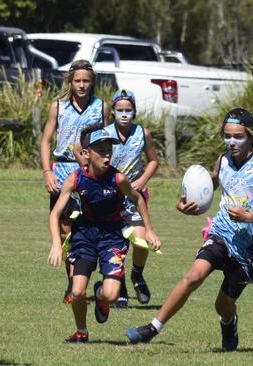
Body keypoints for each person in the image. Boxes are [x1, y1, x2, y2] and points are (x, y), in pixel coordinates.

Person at [125, 108, 253, 352]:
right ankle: (153, 327)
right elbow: (207, 186)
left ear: (251, 137)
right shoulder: (223, 160)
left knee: (222, 306)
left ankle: (228, 322)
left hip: (249, 248)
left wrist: (250, 216)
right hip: (221, 233)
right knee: (194, 276)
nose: (231, 142)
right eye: (227, 136)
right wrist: (183, 203)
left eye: (238, 136)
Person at [47, 124, 161, 343]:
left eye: (109, 148)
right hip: (84, 236)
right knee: (78, 292)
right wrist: (55, 244)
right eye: (101, 149)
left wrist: (149, 231)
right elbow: (55, 215)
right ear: (86, 154)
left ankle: (100, 294)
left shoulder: (118, 179)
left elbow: (138, 199)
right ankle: (81, 332)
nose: (107, 154)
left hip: (112, 237)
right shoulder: (75, 179)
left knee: (111, 295)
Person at [40, 59, 110, 304]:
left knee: (84, 227)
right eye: (78, 80)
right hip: (62, 169)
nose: (82, 85)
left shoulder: (101, 107)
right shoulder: (57, 106)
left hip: (88, 173)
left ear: (92, 83)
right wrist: (47, 172)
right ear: (71, 81)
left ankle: (78, 283)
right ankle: (71, 283)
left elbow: (105, 142)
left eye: (86, 81)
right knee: (64, 228)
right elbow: (46, 140)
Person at [107, 89, 159, 308]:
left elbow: (153, 161)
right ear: (113, 111)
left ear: (134, 112)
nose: (124, 114)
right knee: (116, 243)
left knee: (140, 242)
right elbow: (90, 155)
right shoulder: (105, 133)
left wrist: (143, 179)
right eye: (120, 110)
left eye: (128, 110)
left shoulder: (142, 133)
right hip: (110, 196)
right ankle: (119, 284)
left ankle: (137, 275)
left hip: (134, 196)